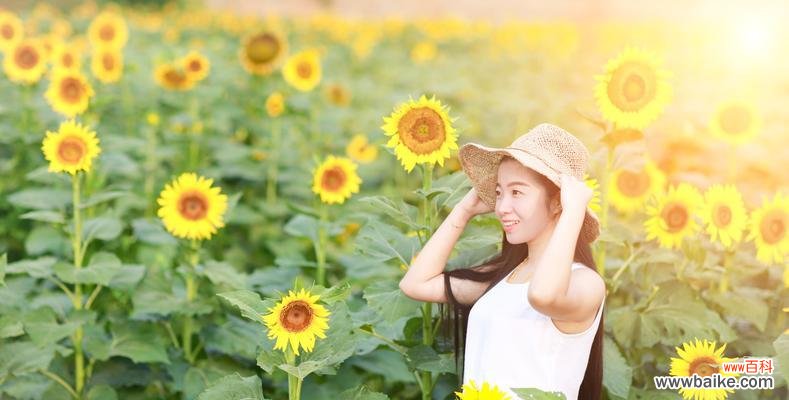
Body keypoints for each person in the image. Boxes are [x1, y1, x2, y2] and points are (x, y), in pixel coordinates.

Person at [399, 123, 606, 400]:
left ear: (558, 203)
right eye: (498, 192)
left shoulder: (585, 283)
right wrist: (464, 210)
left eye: (517, 192)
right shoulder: (503, 279)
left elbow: (543, 296)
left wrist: (574, 211)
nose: (501, 207)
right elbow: (415, 284)